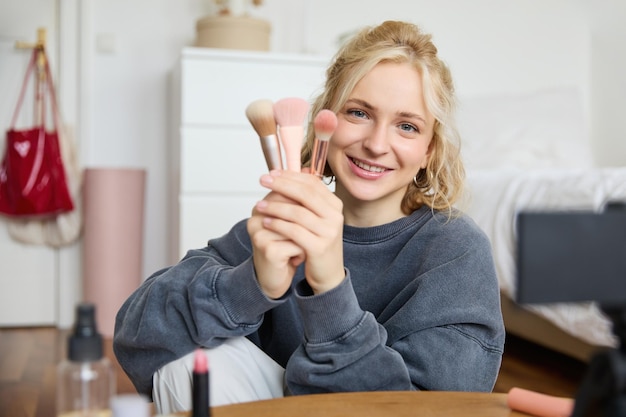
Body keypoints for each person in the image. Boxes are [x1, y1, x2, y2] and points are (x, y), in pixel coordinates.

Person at [113, 20, 505, 413]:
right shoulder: (282, 226)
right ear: (326, 122)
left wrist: (330, 288)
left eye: (406, 126)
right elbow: (136, 336)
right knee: (189, 360)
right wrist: (250, 284)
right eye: (359, 113)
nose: (376, 144)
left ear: (429, 151)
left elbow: (430, 409)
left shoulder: (456, 252)